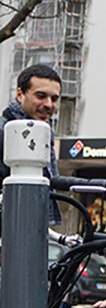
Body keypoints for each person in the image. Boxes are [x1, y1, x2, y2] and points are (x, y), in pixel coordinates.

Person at [0, 64, 62, 224]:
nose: (49, 104)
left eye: (54, 98)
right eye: (41, 96)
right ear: (20, 94)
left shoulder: (42, 131)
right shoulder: (3, 132)